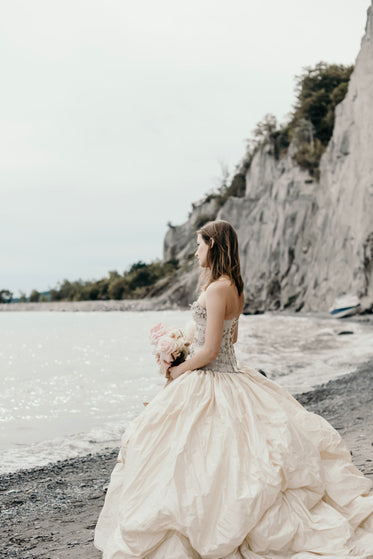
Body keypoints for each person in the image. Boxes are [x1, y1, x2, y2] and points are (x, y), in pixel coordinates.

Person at [94, 220, 373, 558]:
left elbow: (210, 351)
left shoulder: (215, 289)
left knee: (195, 455)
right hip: (233, 374)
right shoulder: (235, 287)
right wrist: (182, 345)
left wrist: (179, 366)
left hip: (212, 376)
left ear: (213, 244)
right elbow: (232, 339)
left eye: (199, 244)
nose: (195, 251)